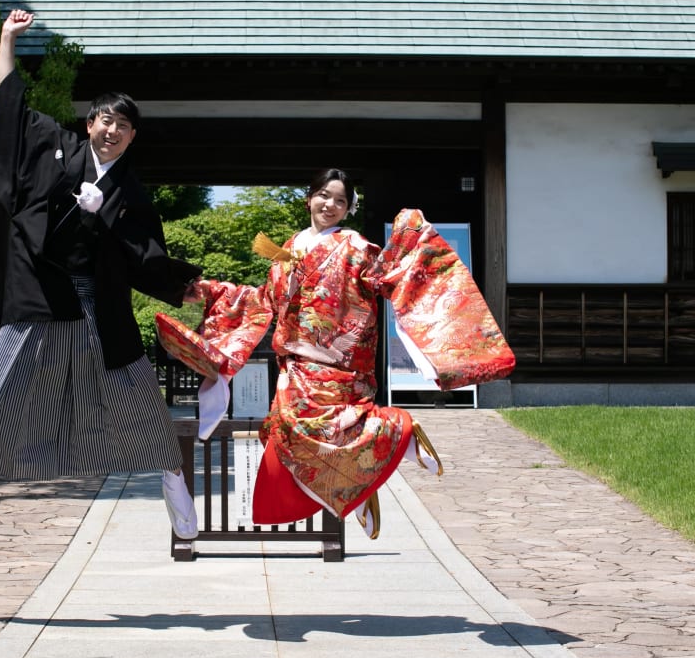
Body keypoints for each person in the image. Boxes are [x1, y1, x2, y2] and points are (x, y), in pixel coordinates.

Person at [0, 9, 202, 542]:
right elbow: (10, 108)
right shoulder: (50, 147)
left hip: (99, 302)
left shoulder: (131, 191)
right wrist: (6, 39)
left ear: (131, 139)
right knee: (1, 388)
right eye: (106, 120)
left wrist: (185, 286)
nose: (113, 131)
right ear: (90, 124)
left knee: (133, 390)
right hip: (40, 294)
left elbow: (145, 255)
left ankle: (172, 478)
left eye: (124, 127)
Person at [154, 168, 515, 539]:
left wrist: (413, 243)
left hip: (339, 365)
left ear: (348, 209)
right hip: (295, 367)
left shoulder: (355, 245)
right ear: (309, 197)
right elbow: (263, 300)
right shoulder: (288, 250)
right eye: (325, 196)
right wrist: (212, 290)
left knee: (328, 428)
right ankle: (355, 491)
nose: (330, 205)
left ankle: (398, 434)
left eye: (340, 200)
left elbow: (385, 274)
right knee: (288, 433)